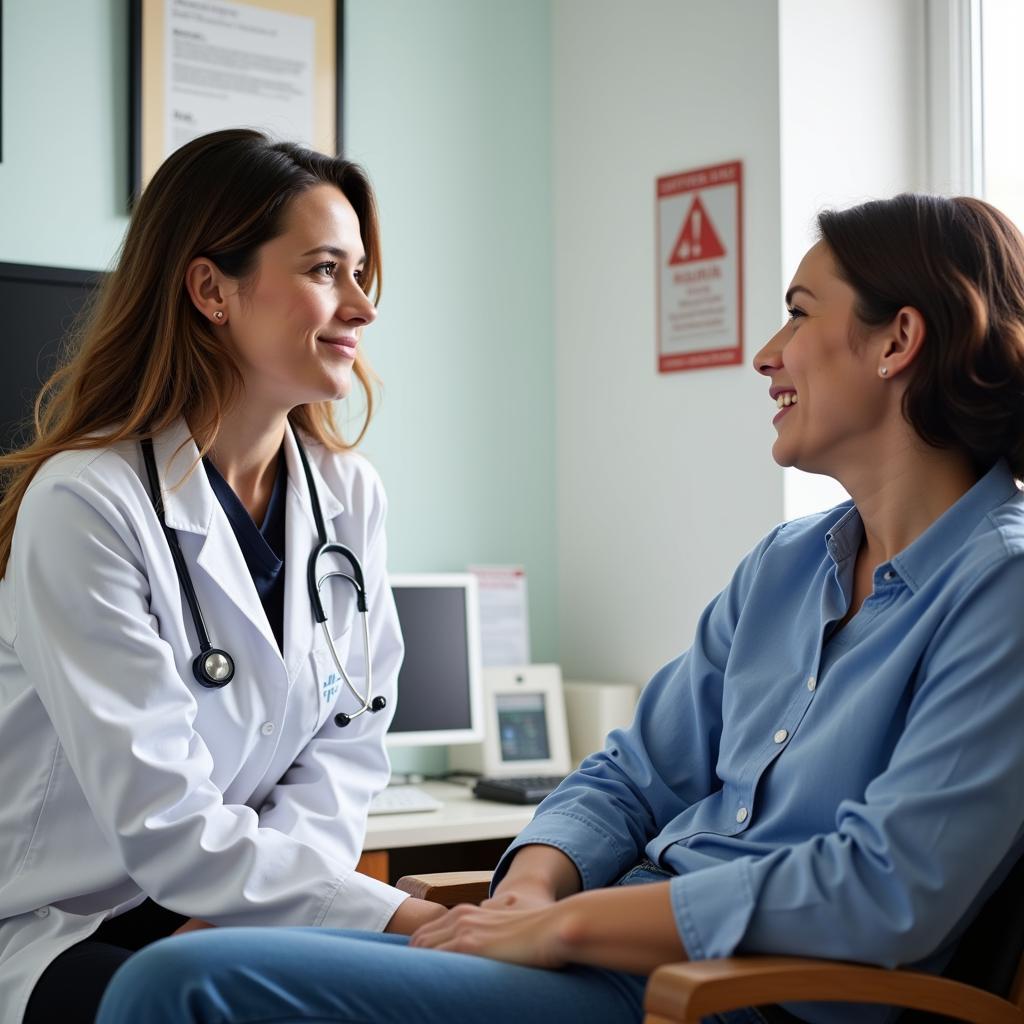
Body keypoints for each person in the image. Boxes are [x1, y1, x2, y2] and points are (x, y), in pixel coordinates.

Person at [95, 192, 1024, 1024]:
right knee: (180, 964)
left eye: (796, 313)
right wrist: (534, 892)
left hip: (713, 995)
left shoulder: (1002, 590)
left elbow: (885, 892)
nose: (765, 354)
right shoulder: (787, 565)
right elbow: (630, 777)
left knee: (181, 989)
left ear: (898, 342)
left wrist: (572, 927)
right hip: (599, 956)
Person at [1, 128, 448, 1024]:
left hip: (241, 904)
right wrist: (399, 912)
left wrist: (236, 917)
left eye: (364, 274)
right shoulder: (88, 504)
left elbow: (346, 753)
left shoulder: (347, 496)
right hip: (68, 924)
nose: (361, 306)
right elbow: (163, 822)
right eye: (327, 270)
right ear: (211, 289)